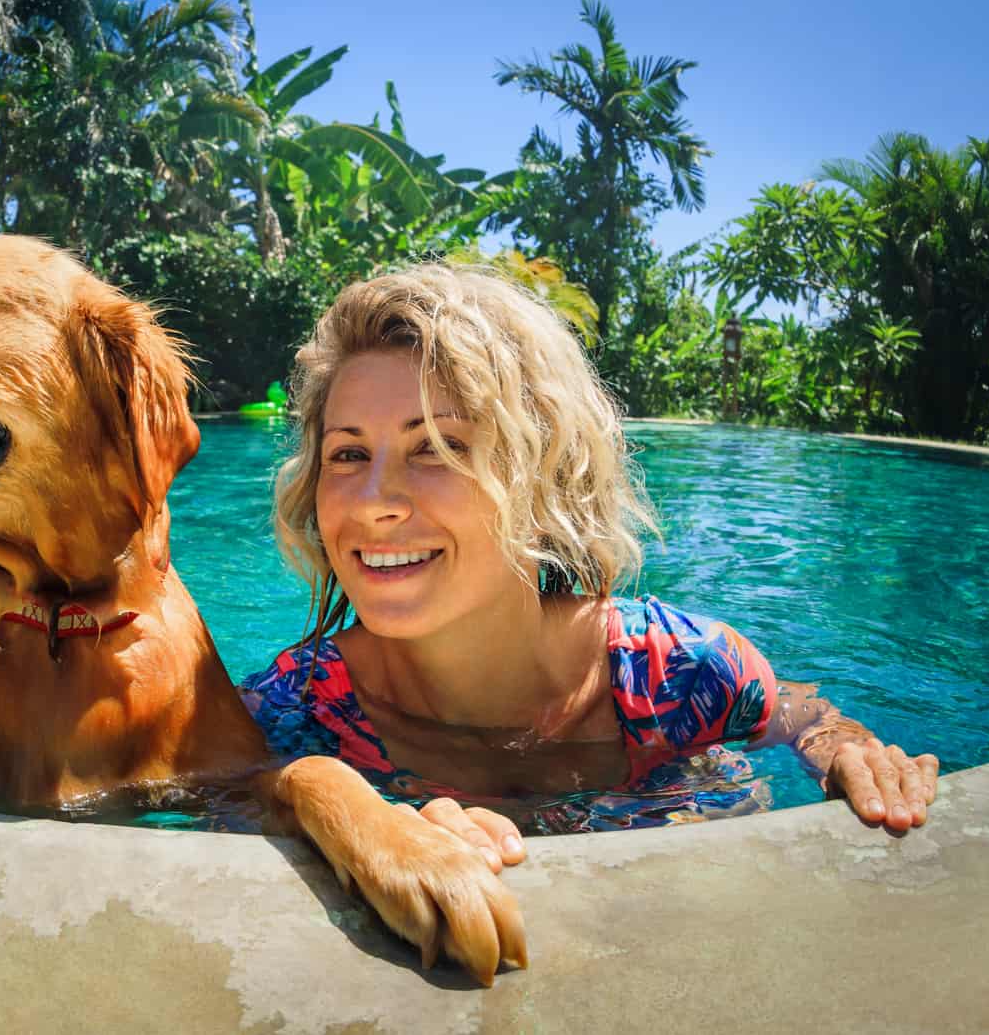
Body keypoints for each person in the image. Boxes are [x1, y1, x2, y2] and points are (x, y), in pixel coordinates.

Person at [240, 262, 939, 871]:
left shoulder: (682, 668)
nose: (373, 503)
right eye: (348, 454)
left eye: (438, 447)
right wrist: (342, 813)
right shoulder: (294, 713)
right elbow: (198, 812)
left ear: (544, 480)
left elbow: (798, 713)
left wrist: (845, 748)